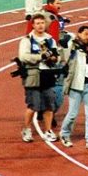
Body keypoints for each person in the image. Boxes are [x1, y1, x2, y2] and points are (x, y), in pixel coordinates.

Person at [59, 26, 88, 149]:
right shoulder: (73, 47)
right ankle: (65, 134)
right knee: (73, 113)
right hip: (76, 85)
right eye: (85, 34)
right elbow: (64, 53)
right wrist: (73, 40)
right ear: (78, 34)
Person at [19, 14, 59, 143]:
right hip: (33, 75)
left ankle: (48, 131)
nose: (41, 25)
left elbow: (56, 57)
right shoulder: (27, 40)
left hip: (47, 74)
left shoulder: (50, 39)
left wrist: (53, 58)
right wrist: (40, 56)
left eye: (42, 23)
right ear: (33, 25)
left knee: (49, 105)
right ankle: (26, 129)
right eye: (38, 23)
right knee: (33, 105)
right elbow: (23, 57)